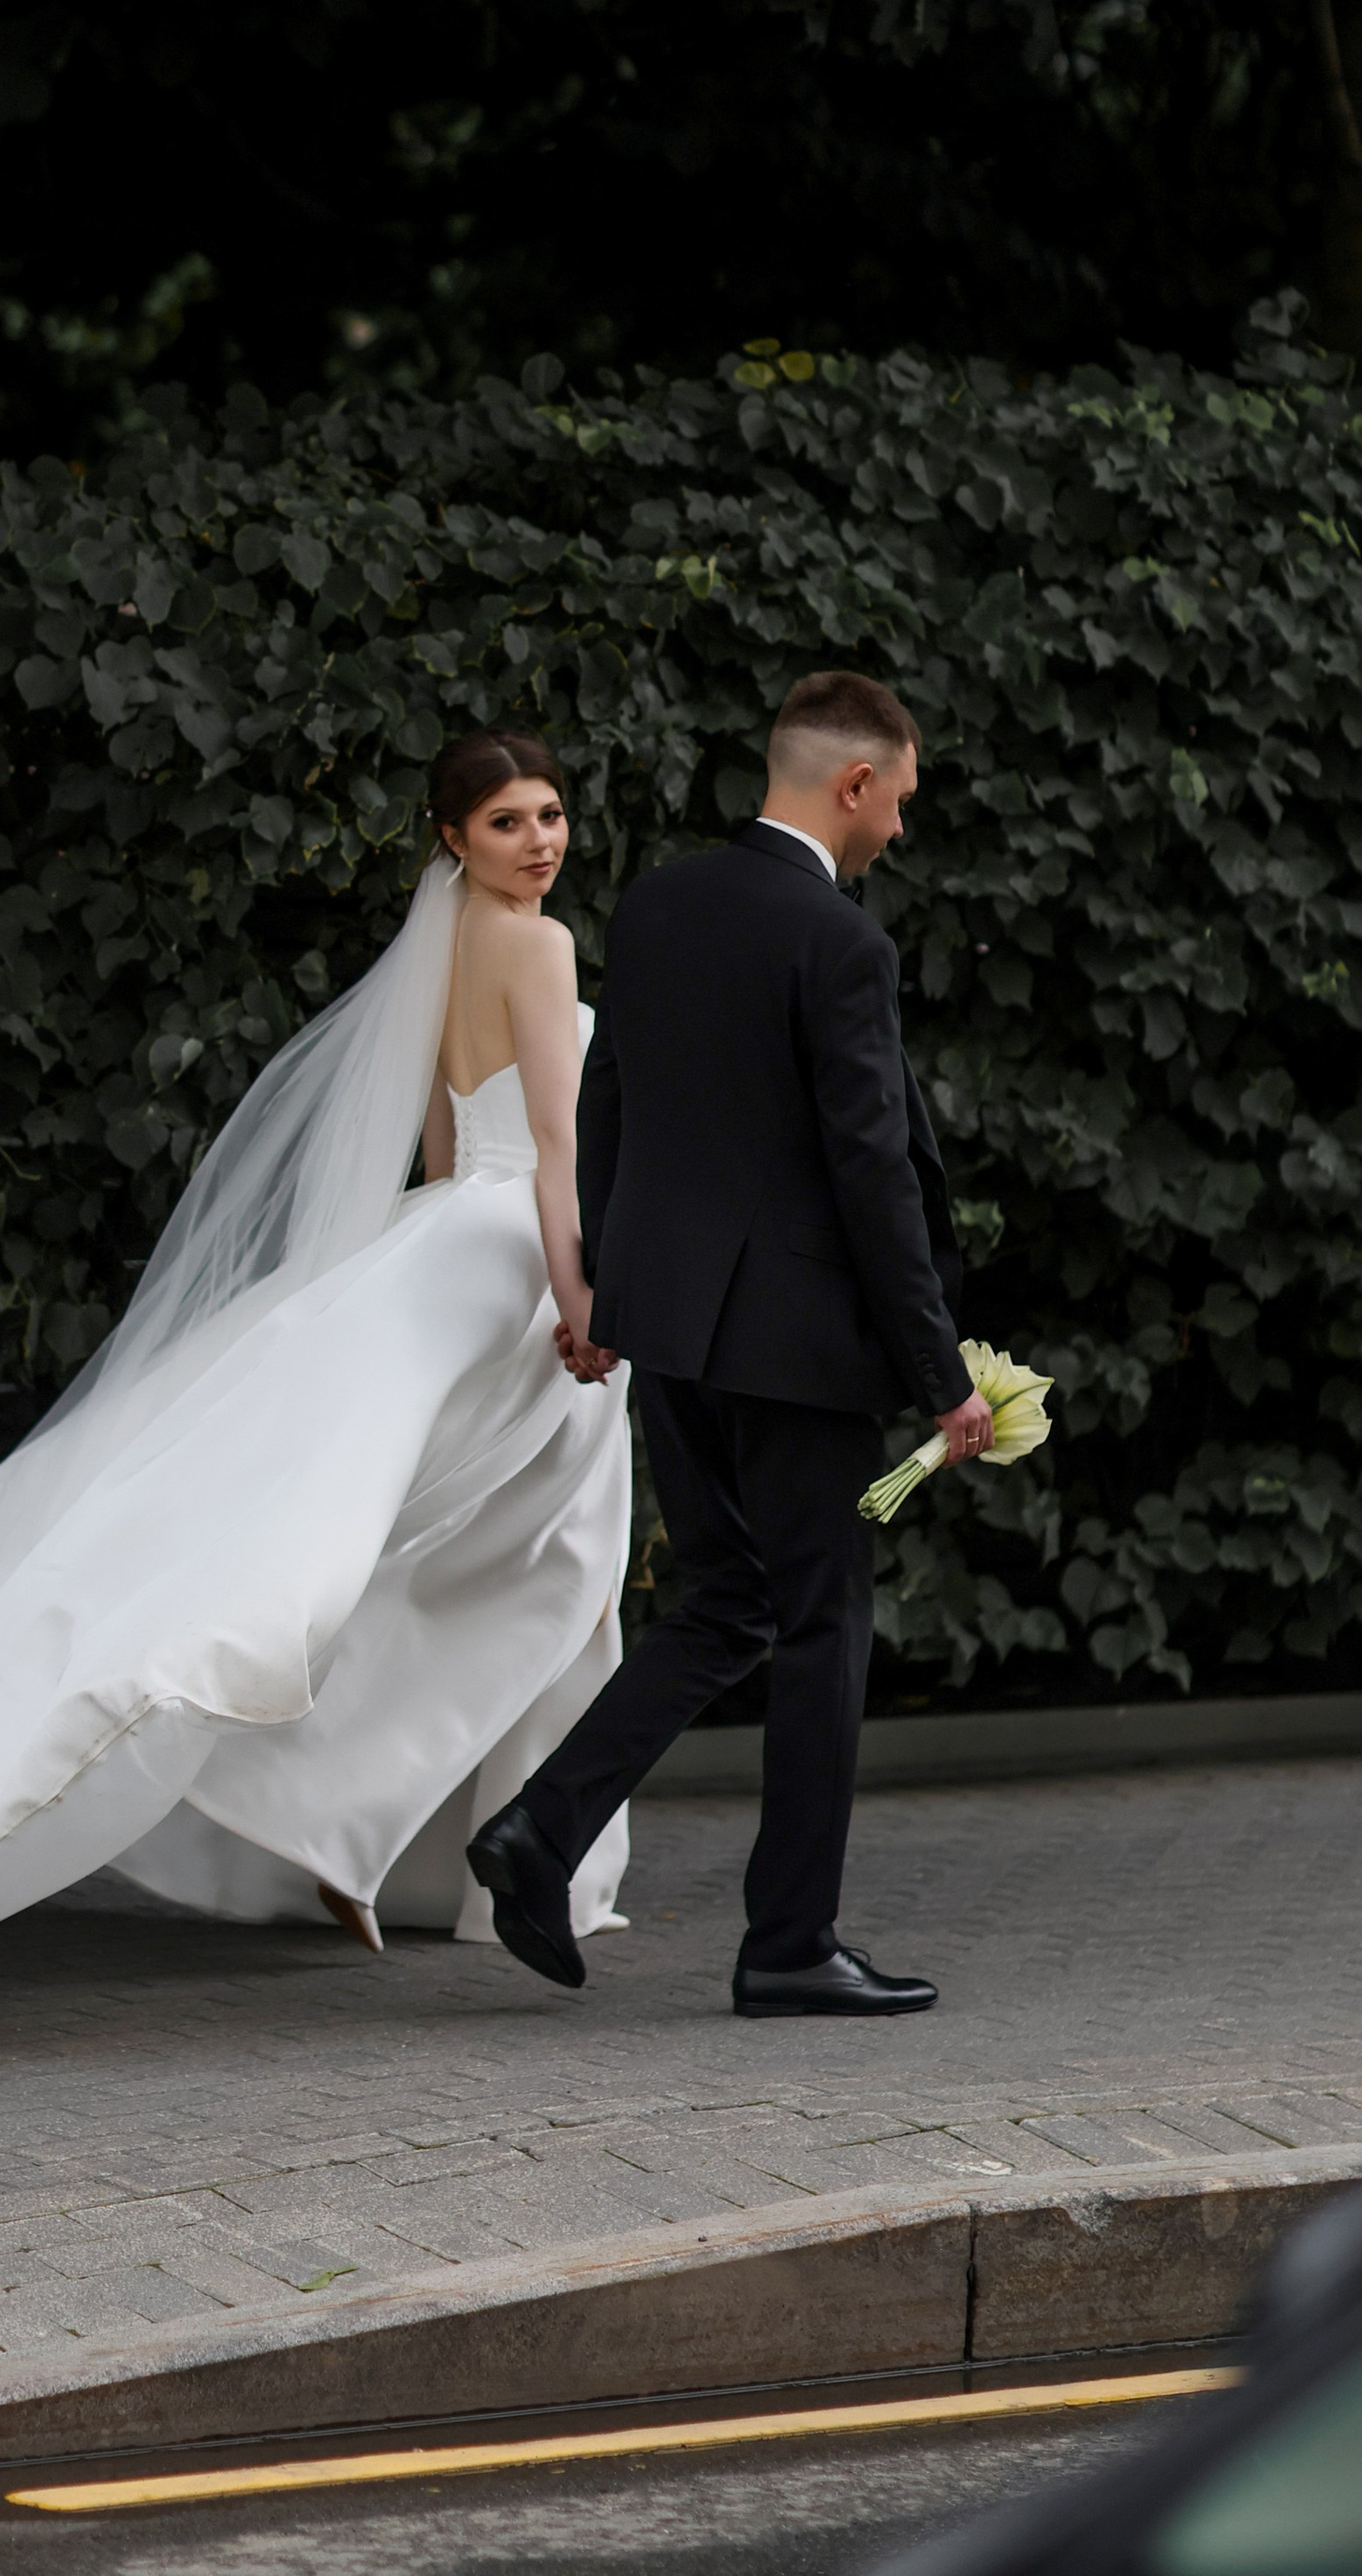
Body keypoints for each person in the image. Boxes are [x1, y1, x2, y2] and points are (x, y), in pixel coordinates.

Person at [0, 729, 631, 2032]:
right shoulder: (539, 944)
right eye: (507, 823)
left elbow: (435, 1133)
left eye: (549, 816)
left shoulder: (444, 943)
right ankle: (434, 1846)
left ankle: (368, 1840)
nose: (539, 841)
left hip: (441, 1242)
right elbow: (552, 1147)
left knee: (448, 1545)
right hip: (512, 1262)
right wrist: (585, 1298)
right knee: (521, 1553)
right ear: (451, 839)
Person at [466, 670, 991, 2020]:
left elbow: (609, 1105)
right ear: (856, 784)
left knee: (719, 1604)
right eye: (901, 804)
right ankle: (788, 1943)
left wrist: (607, 1295)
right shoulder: (842, 946)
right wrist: (942, 1378)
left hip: (675, 1328)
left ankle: (538, 1834)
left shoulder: (657, 904)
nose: (899, 832)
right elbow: (871, 1172)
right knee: (822, 1628)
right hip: (801, 1345)